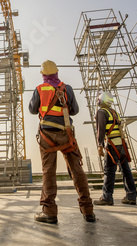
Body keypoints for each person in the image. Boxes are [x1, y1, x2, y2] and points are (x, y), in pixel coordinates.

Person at [29, 60, 95, 224]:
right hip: (66, 133)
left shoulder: (39, 89)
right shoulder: (67, 88)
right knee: (76, 170)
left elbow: (32, 110)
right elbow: (75, 110)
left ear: (43, 74)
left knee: (48, 171)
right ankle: (88, 211)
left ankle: (49, 212)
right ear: (57, 73)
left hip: (47, 136)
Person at [94, 92, 137, 206]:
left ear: (101, 101)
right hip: (121, 144)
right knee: (126, 170)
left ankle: (107, 197)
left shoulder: (101, 112)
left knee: (109, 170)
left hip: (112, 144)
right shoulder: (114, 112)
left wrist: (100, 145)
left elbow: (101, 129)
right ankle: (131, 195)